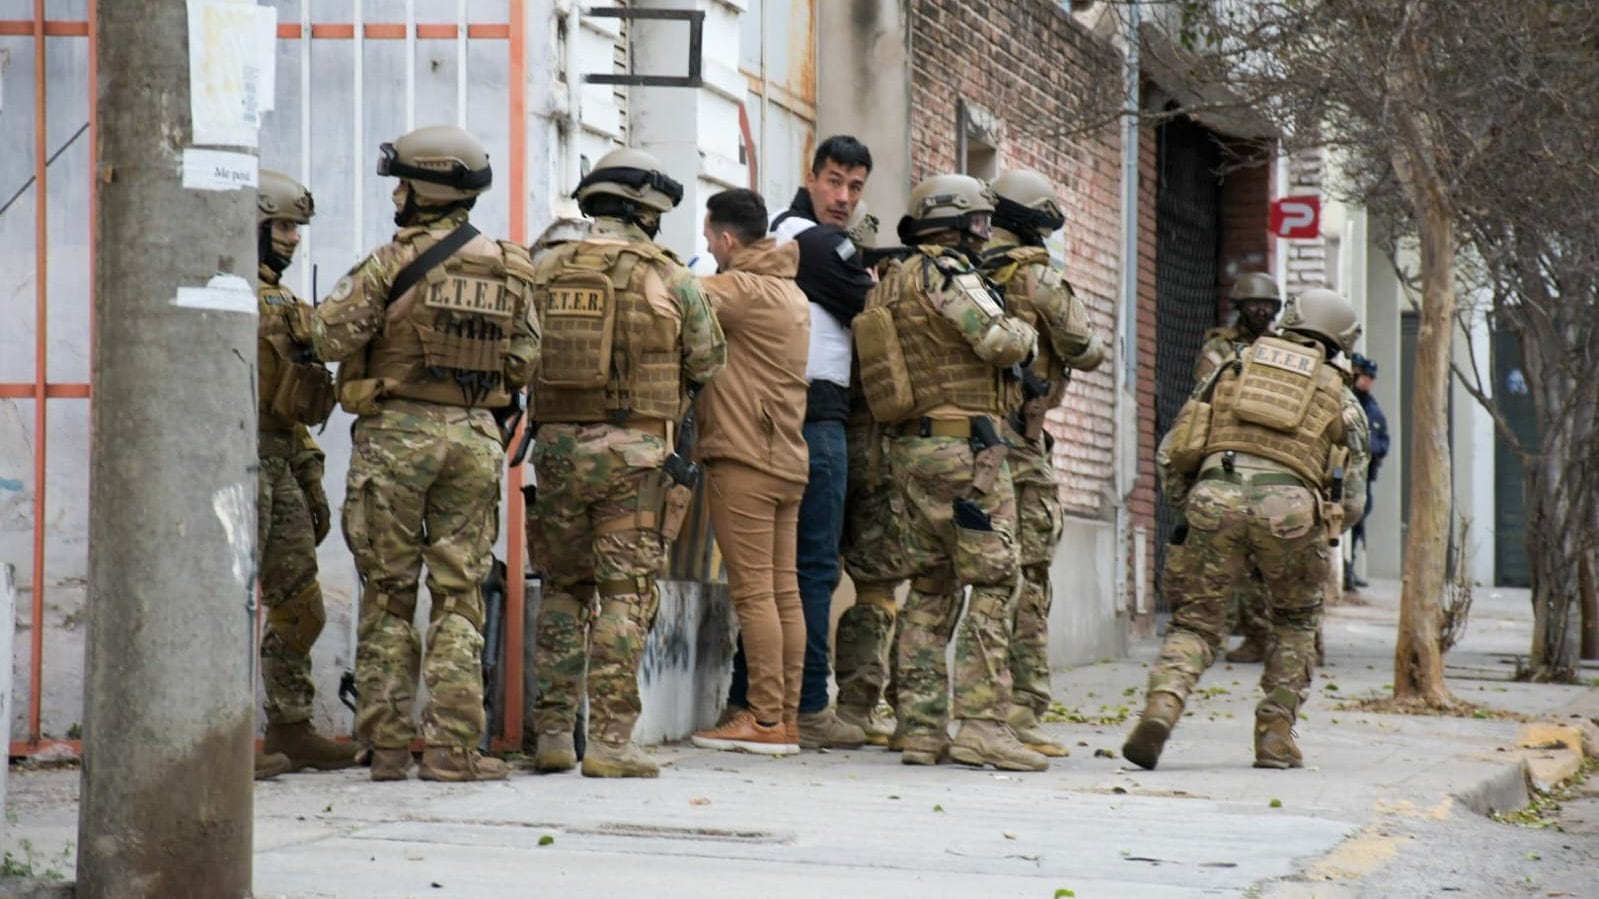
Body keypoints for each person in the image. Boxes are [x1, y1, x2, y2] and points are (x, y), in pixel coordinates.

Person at [312, 125, 540, 782]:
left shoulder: (389, 262)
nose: (399, 194)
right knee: (460, 593)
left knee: (387, 593)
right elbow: (524, 360)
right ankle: (451, 749)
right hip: (472, 440)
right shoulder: (511, 266)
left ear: (424, 188)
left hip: (396, 435)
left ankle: (384, 747)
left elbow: (330, 335)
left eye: (403, 183)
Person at [526, 148, 726, 778]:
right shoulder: (670, 276)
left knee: (562, 589)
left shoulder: (544, 266)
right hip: (635, 455)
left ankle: (553, 735)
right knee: (624, 594)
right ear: (647, 214)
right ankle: (611, 742)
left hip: (556, 448)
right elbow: (708, 359)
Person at [1123, 288, 1369, 771]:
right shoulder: (1340, 392)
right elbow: (1354, 495)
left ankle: (1161, 708)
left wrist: (1188, 506)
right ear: (1340, 338)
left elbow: (1176, 448)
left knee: (1195, 621)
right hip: (1292, 508)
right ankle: (1277, 735)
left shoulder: (1233, 366)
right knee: (1295, 621)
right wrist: (1326, 528)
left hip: (1216, 493)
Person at [855, 173, 1044, 771]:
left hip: (909, 453)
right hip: (968, 454)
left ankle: (920, 728)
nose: (986, 233)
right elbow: (998, 342)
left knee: (930, 585)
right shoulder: (948, 274)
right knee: (995, 578)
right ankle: (984, 724)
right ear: (958, 224)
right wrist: (1026, 329)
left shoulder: (887, 283)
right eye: (981, 223)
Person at [724, 135, 877, 750]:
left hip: (805, 421)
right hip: (810, 420)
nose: (843, 197)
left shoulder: (803, 243)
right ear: (810, 176)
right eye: (835, 181)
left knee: (780, 576)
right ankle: (807, 706)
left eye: (856, 187)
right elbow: (871, 300)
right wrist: (862, 278)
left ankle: (754, 701)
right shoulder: (803, 239)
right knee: (807, 572)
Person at [979, 170, 1106, 760]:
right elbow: (1087, 349)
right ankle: (1021, 708)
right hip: (1022, 443)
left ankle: (926, 712)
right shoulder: (1036, 277)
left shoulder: (965, 268)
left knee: (953, 579)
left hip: (968, 437)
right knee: (1027, 576)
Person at [688, 189, 810, 756]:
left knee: (756, 593)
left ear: (729, 240)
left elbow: (672, 294)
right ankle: (782, 717)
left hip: (745, 458)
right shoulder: (790, 290)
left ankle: (762, 719)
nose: (708, 249)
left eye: (710, 240)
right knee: (784, 593)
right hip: (785, 457)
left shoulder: (740, 289)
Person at [253, 171, 358, 778]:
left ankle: (289, 728)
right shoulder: (220, 295)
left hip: (280, 459)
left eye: (296, 228)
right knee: (226, 607)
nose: (293, 240)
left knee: (302, 606)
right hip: (234, 466)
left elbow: (292, 405)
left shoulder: (288, 303)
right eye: (284, 226)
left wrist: (310, 470)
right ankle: (215, 738)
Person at [835, 201, 909, 746]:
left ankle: (863, 705)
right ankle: (862, 705)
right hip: (882, 457)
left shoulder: (848, 307)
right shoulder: (894, 310)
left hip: (847, 446)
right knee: (880, 588)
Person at [1196, 272, 1283, 665]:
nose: (1262, 311)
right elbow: (1205, 394)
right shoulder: (1220, 348)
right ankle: (1213, 633)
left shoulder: (1287, 349)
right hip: (1228, 448)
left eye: (1268, 306)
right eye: (1254, 305)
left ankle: (1267, 634)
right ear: (1240, 309)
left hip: (1272, 451)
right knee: (1217, 547)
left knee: (1270, 551)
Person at [1346, 353, 1389, 588]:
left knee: (1357, 521)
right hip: (1347, 472)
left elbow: (1383, 438)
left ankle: (1350, 569)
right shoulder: (1350, 400)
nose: (1367, 381)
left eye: (1371, 378)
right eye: (1364, 376)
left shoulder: (1372, 407)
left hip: (1365, 476)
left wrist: (1375, 450)